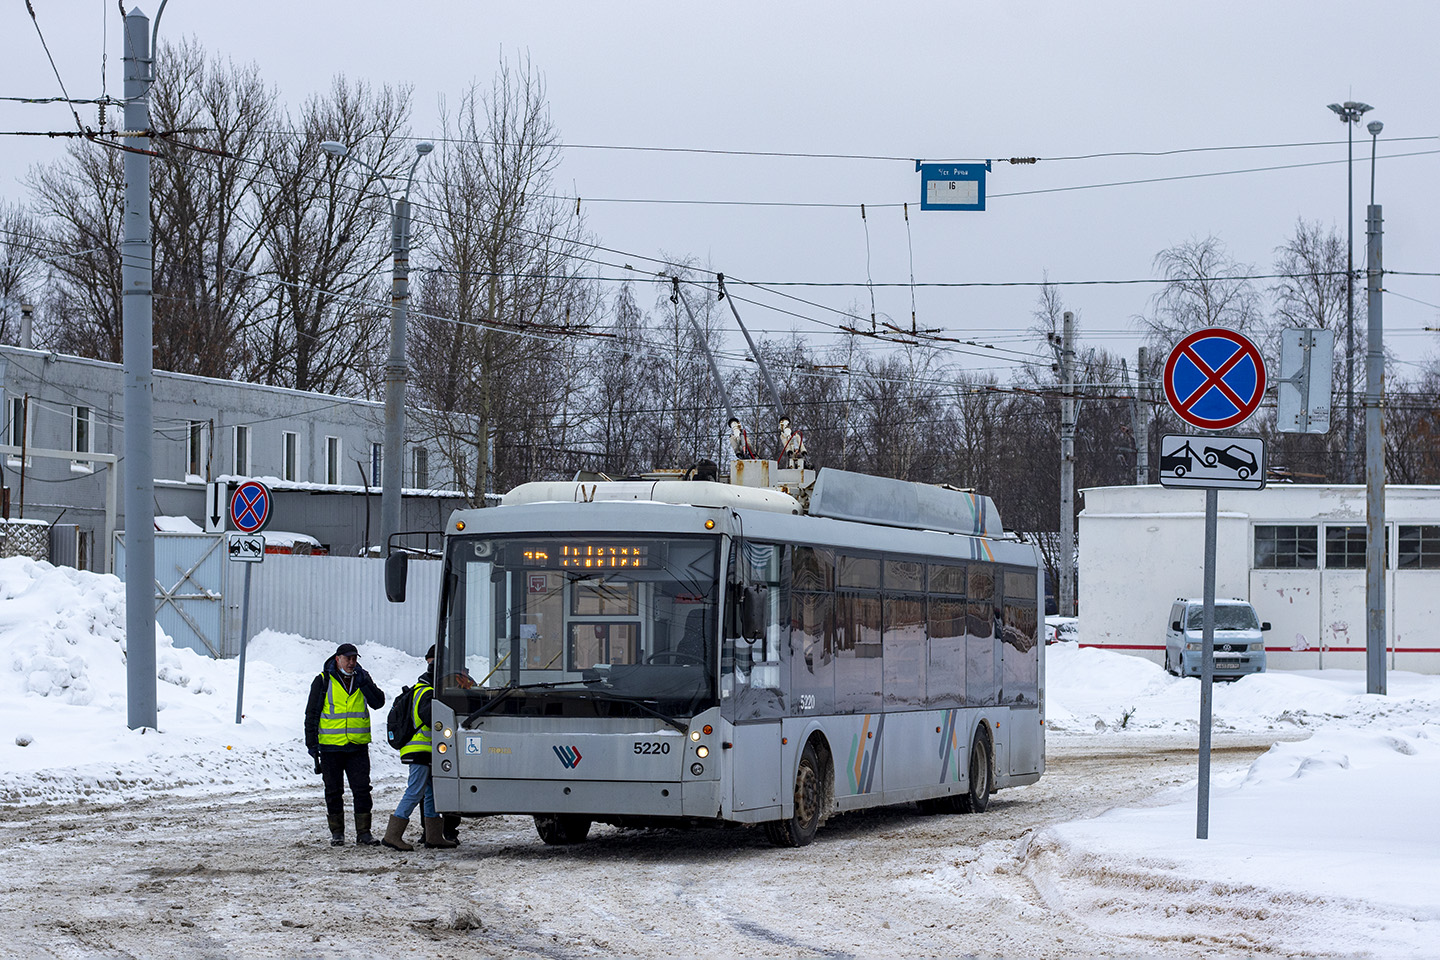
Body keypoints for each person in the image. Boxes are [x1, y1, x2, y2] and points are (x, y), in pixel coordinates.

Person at [304, 642, 386, 846]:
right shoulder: (323, 681)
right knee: (333, 791)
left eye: (354, 659)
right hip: (331, 746)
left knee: (362, 790)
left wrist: (365, 682)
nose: (352, 663)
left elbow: (378, 702)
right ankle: (337, 833)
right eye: (348, 658)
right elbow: (312, 714)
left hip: (357, 746)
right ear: (337, 659)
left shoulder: (362, 679)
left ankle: (364, 833)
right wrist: (312, 745)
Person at [383, 645, 457, 851]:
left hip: (425, 751)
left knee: (432, 792)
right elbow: (428, 717)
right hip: (419, 750)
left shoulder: (423, 689)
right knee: (415, 791)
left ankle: (434, 836)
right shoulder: (426, 692)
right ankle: (393, 835)